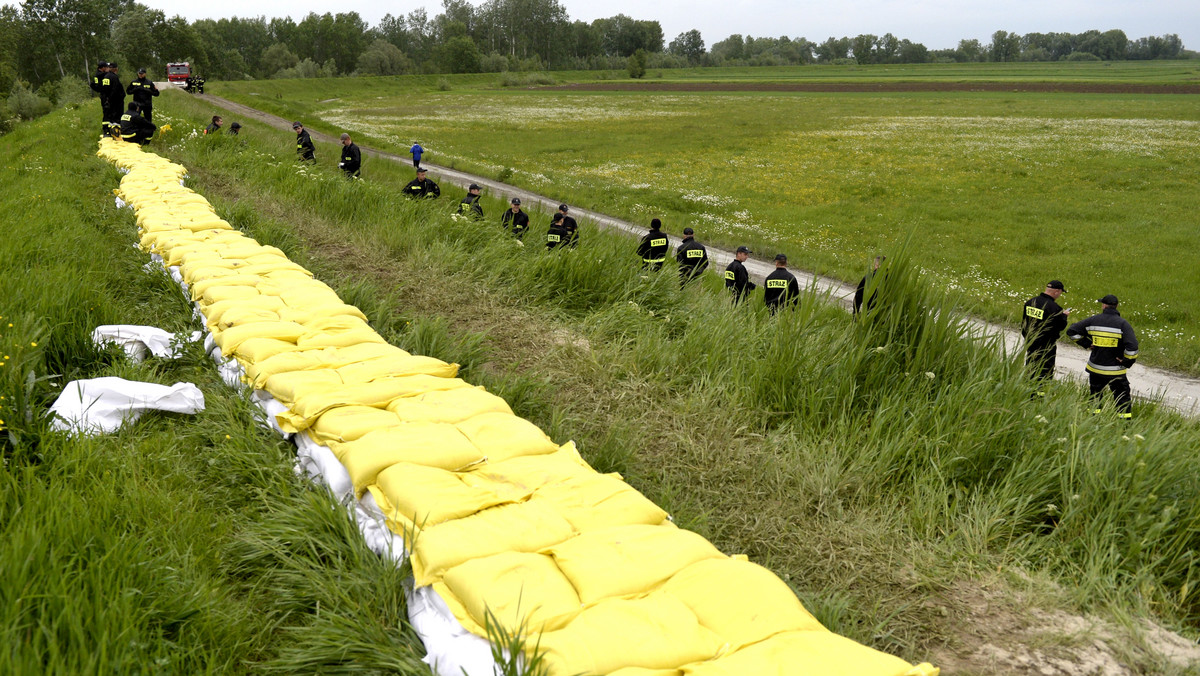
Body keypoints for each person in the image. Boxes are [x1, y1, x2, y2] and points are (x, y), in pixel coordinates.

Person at [1067, 295, 1139, 419]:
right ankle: (1124, 424)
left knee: (1095, 396)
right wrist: (1127, 362)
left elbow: (1072, 331)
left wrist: (1087, 344)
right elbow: (1132, 346)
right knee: (1122, 398)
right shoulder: (1123, 324)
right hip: (1115, 371)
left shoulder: (1093, 320)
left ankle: (1092, 421)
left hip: (1095, 369)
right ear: (1116, 306)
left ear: (1104, 306)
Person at [1021, 280, 1070, 396]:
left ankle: (1026, 391)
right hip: (1046, 345)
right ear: (1057, 292)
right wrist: (1064, 316)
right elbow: (1060, 327)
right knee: (1045, 370)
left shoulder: (1030, 302)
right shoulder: (1055, 308)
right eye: (1061, 293)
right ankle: (1038, 395)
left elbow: (1024, 323)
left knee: (1030, 366)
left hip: (1031, 341)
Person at [93, 61, 124, 137]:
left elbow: (104, 88)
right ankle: (113, 131)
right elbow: (114, 89)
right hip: (113, 99)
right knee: (113, 115)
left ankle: (108, 130)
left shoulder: (106, 76)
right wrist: (110, 98)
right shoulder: (112, 77)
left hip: (106, 98)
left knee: (108, 114)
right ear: (116, 69)